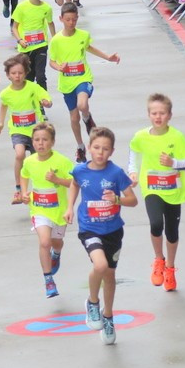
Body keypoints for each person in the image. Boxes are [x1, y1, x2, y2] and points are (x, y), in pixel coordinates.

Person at [64, 127, 137, 345]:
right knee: (100, 266)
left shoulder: (116, 173)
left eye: (105, 149)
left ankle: (108, 316)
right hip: (89, 228)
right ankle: (93, 302)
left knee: (110, 275)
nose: (100, 152)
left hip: (113, 231)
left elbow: (132, 201)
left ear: (112, 151)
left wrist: (116, 200)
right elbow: (74, 184)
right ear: (89, 148)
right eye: (96, 148)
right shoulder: (80, 170)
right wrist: (69, 207)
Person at [128, 93, 185, 292]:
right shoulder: (141, 136)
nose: (158, 117)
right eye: (154, 113)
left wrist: (173, 163)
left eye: (162, 113)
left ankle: (170, 268)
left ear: (169, 115)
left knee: (172, 232)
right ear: (149, 115)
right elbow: (133, 152)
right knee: (156, 223)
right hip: (151, 188)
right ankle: (159, 259)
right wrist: (132, 172)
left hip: (173, 191)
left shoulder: (177, 137)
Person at [47, 2, 120, 162]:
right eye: (68, 20)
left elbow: (90, 48)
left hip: (83, 78)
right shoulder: (56, 41)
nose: (71, 23)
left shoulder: (82, 35)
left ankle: (87, 117)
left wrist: (108, 57)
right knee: (74, 118)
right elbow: (51, 62)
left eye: (74, 19)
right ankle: (80, 147)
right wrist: (59, 67)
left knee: (82, 105)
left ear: (77, 18)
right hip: (67, 84)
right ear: (61, 19)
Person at [19, 122, 74, 298]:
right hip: (39, 210)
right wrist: (24, 193)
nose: (40, 143)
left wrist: (57, 180)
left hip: (59, 211)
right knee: (44, 242)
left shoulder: (62, 161)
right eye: (36, 140)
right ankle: (48, 280)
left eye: (44, 140)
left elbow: (74, 183)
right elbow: (24, 174)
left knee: (56, 242)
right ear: (32, 142)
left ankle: (56, 254)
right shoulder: (29, 161)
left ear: (52, 142)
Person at [0, 54, 53, 204]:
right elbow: (3, 106)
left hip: (36, 131)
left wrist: (46, 102)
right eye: (13, 73)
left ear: (26, 73)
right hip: (17, 130)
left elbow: (45, 97)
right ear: (8, 75)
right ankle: (18, 189)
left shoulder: (33, 87)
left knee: (37, 160)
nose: (17, 76)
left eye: (20, 73)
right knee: (19, 154)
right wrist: (1, 123)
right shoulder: (5, 93)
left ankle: (38, 188)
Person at [11, 0, 54, 89]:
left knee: (40, 76)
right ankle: (30, 102)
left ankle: (42, 102)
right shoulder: (21, 7)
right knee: (28, 78)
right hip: (26, 48)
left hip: (41, 46)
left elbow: (50, 23)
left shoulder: (46, 8)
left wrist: (55, 39)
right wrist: (20, 40)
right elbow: (14, 27)